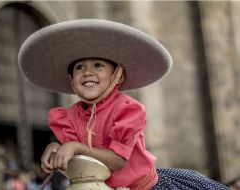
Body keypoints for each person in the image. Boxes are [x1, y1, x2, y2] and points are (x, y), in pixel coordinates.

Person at [18, 19, 228, 190]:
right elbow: (80, 160)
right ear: (72, 81)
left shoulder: (128, 109)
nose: (87, 72)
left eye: (98, 65)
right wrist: (58, 149)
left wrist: (74, 146)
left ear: (117, 75)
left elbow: (118, 161)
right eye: (79, 67)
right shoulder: (69, 117)